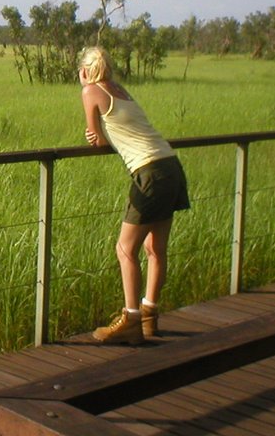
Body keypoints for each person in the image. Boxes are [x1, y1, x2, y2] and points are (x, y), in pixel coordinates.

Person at [78, 46, 190, 344]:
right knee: (156, 249)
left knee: (125, 249)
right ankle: (150, 314)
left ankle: (130, 319)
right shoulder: (120, 89)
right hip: (171, 166)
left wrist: (95, 133)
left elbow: (98, 140)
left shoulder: (90, 91)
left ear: (86, 71)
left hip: (148, 172)